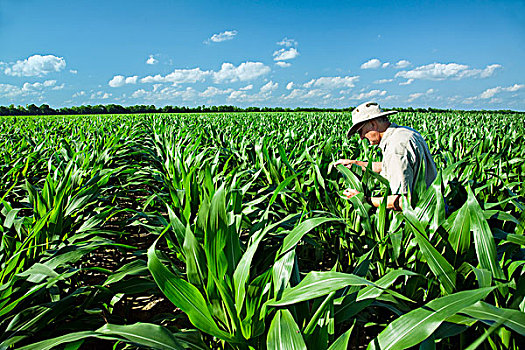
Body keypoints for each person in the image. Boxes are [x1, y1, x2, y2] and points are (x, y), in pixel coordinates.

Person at [335, 101, 437, 210]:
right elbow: (392, 166)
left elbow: (402, 201)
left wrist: (363, 199)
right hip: (433, 209)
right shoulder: (405, 133)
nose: (361, 137)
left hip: (421, 218)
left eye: (361, 132)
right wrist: (355, 164)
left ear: (373, 124)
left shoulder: (395, 147)